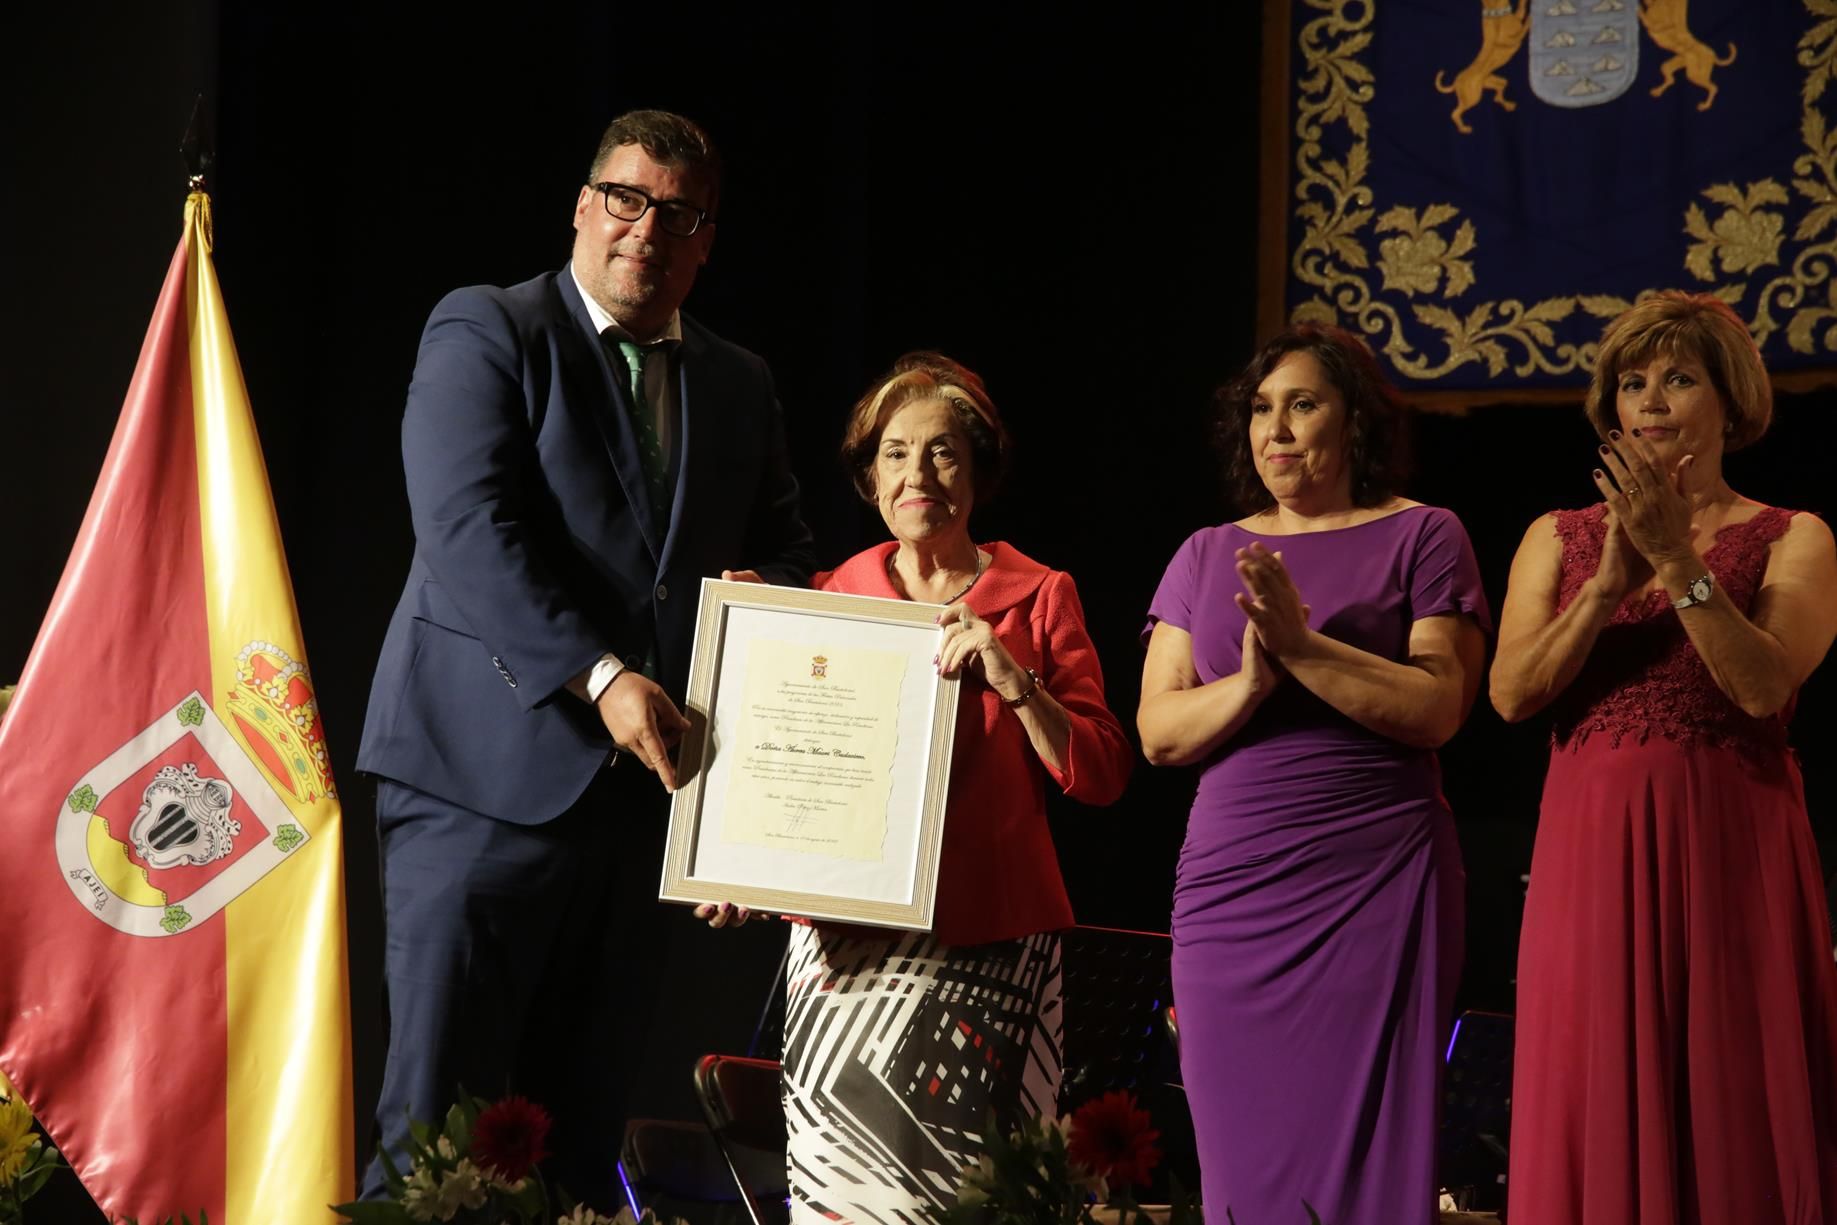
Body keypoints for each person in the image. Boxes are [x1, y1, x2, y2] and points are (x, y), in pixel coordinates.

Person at [355, 109, 815, 1205]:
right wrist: (601, 678)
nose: (647, 229)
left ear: (707, 239)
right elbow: (468, 529)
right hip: (477, 789)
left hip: (637, 821)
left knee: (574, 1145)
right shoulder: (487, 329)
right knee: (436, 1139)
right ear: (583, 204)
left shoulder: (739, 381)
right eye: (627, 197)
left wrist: (773, 605)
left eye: (680, 213)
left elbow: (788, 559)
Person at [696, 352, 1132, 1222]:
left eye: (941, 452)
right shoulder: (829, 597)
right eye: (894, 453)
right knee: (841, 1199)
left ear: (976, 469)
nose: (916, 475)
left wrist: (1014, 679)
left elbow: (1103, 771)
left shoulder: (1039, 595)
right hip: (847, 960)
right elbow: (791, 776)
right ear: (869, 475)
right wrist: (737, 869)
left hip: (988, 951)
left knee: (978, 1204)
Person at [1492, 291, 1837, 1223]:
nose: (1648, 401)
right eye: (1631, 383)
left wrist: (1677, 567)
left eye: (1678, 379)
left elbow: (1763, 687)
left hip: (1731, 854)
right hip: (1590, 855)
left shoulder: (1793, 535)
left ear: (1729, 403)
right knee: (1589, 1080)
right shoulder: (1552, 537)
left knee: (1731, 1095)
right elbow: (1511, 693)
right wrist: (1606, 584)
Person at [1137, 325, 1489, 1224]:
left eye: (1302, 404)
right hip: (1233, 892)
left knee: (1374, 1155)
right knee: (1238, 1164)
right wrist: (1255, 679)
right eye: (1260, 409)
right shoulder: (1204, 553)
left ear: (1355, 423)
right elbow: (1159, 732)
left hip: (1376, 879)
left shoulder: (1424, 534)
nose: (1276, 429)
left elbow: (1438, 706)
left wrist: (1301, 647)